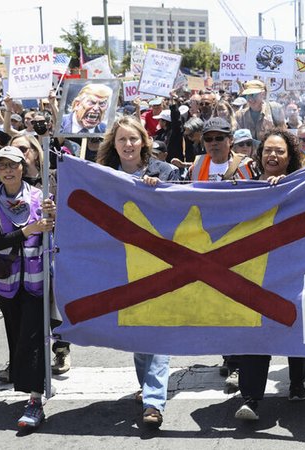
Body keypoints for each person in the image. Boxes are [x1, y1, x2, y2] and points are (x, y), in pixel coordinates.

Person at [96, 116, 179, 429]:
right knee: (138, 333)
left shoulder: (165, 171)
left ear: (144, 141)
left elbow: (186, 209)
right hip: (123, 263)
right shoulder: (104, 176)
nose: (128, 145)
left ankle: (154, 402)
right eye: (122, 140)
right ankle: (148, 387)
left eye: (133, 139)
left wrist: (162, 191)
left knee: (157, 333)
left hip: (163, 263)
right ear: (113, 145)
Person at [0, 146, 56, 429]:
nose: (8, 171)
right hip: (6, 282)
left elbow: (54, 232)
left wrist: (52, 217)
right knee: (16, 336)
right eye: (2, 167)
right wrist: (29, 230)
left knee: (32, 337)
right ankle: (34, 385)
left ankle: (35, 400)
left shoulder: (40, 196)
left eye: (12, 165)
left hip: (36, 279)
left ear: (23, 167)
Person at [234, 129, 305, 422]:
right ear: (260, 154)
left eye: (279, 151)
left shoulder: (301, 186)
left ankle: (298, 383)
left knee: (295, 326)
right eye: (268, 150)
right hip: (256, 273)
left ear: (289, 157)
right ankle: (251, 397)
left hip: (292, 269)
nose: (273, 156)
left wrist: (286, 188)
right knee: (257, 332)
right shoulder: (248, 187)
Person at [187, 118, 256, 182]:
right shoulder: (196, 167)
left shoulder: (246, 165)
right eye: (208, 139)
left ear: (231, 140)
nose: (213, 143)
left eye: (219, 138)